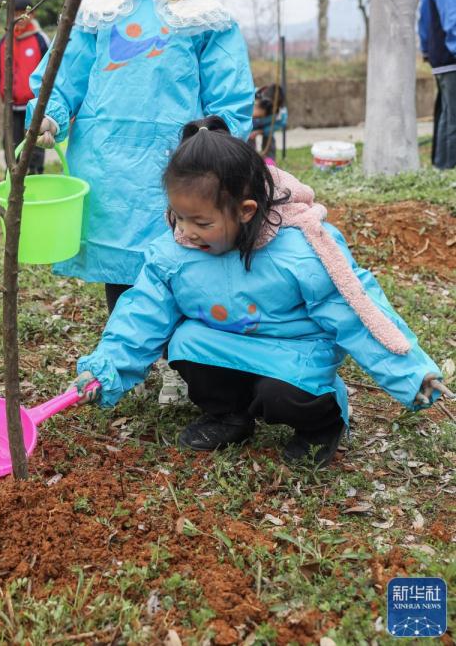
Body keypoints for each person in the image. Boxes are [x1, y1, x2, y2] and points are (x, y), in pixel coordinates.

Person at [69, 116, 450, 466]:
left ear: (246, 211)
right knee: (184, 342)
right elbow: (142, 313)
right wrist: (106, 370)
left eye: (201, 221)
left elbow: (356, 308)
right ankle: (228, 416)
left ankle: (323, 423)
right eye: (178, 216)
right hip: (226, 343)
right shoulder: (174, 253)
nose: (185, 231)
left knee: (280, 395)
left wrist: (410, 373)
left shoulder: (301, 250)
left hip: (292, 349)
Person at [27, 0, 254, 404]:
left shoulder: (202, 14)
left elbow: (230, 96)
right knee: (122, 267)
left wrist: (217, 142)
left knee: (183, 261)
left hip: (180, 168)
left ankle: (184, 363)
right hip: (106, 166)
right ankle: (135, 359)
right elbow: (62, 76)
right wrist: (49, 115)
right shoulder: (96, 12)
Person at [418, 0, 456, 169]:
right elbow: (451, 15)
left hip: (442, 54)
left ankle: (442, 169)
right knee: (453, 119)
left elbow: (423, 11)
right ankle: (448, 170)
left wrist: (425, 47)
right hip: (451, 53)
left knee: (447, 116)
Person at [0, 0, 49, 174]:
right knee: (10, 141)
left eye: (23, 13)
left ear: (32, 14)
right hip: (11, 104)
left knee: (35, 141)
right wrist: (0, 88)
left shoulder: (39, 39)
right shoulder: (4, 41)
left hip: (34, 103)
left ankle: (35, 173)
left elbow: (50, 68)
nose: (19, 17)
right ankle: (13, 175)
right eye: (14, 13)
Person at [248, 83, 287, 162]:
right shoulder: (252, 95)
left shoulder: (281, 111)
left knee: (269, 139)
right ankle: (249, 159)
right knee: (248, 138)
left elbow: (280, 123)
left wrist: (261, 131)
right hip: (251, 125)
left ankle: (269, 162)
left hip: (267, 126)